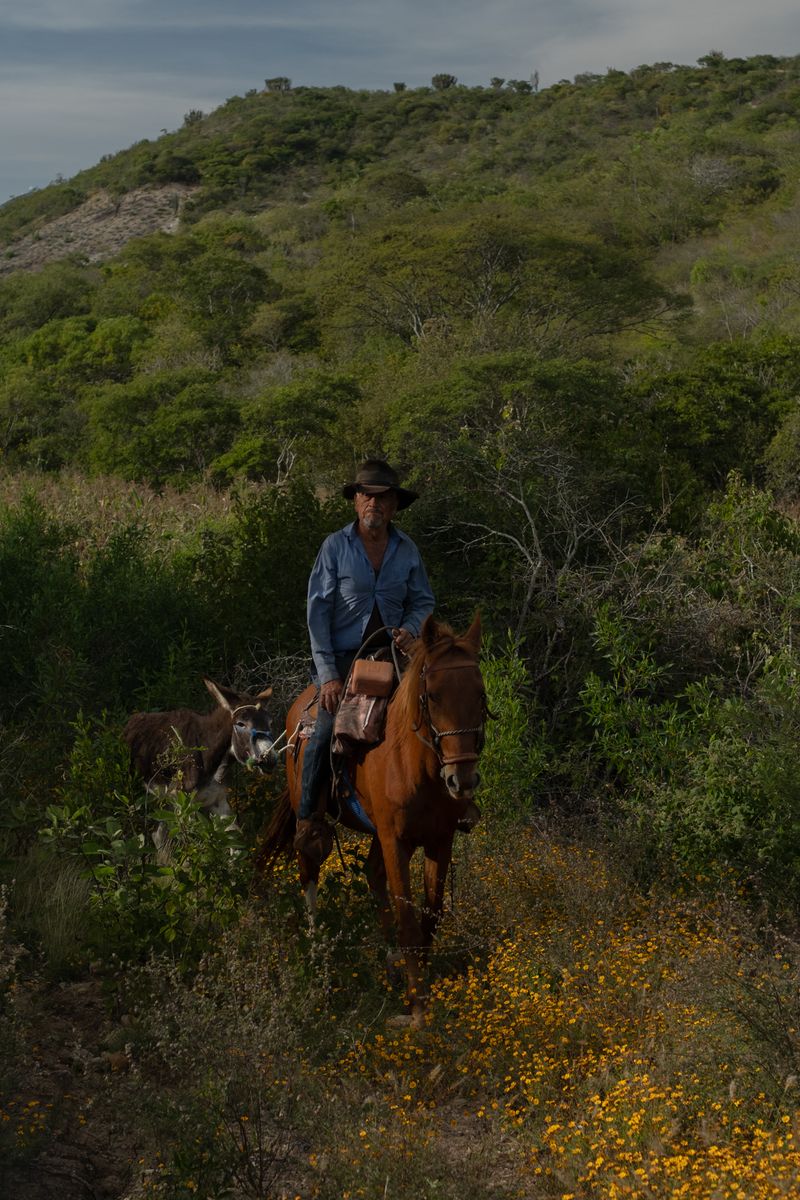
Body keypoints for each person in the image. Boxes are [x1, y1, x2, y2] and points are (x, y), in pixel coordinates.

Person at [294, 459, 435, 855]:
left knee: (437, 709)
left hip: (390, 652)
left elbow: (423, 600)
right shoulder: (335, 547)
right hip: (341, 657)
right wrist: (327, 676)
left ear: (394, 505)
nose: (374, 504)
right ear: (356, 501)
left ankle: (448, 804)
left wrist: (410, 627)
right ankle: (309, 819)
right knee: (323, 729)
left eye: (383, 497)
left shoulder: (407, 550)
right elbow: (316, 614)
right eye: (366, 496)